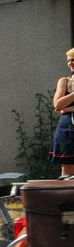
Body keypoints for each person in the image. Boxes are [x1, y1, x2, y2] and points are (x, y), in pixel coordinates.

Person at [50, 47, 74, 176]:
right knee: (67, 172)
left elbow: (62, 108)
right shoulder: (64, 81)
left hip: (67, 118)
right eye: (69, 60)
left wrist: (68, 108)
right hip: (67, 128)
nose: (70, 63)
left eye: (73, 60)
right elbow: (57, 105)